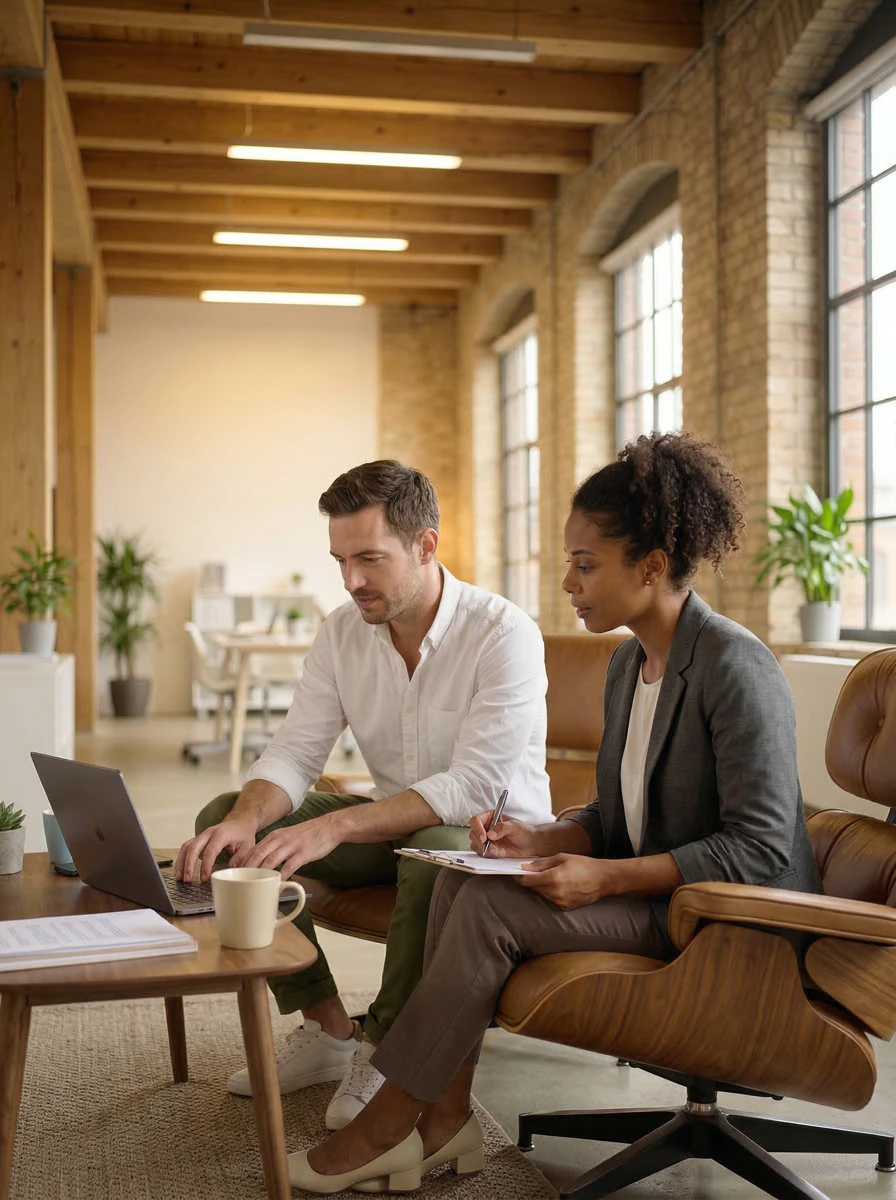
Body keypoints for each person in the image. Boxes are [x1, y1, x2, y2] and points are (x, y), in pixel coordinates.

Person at [288, 431, 824, 1194]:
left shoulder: (736, 666)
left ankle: (388, 1122)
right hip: (663, 900)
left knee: (489, 909)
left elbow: (761, 849)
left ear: (652, 566)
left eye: (585, 564)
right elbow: (620, 811)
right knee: (462, 878)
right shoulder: (629, 663)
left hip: (731, 927)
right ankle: (447, 1120)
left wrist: (604, 878)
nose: (568, 582)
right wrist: (545, 835)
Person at [175, 459, 552, 1130]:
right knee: (226, 821)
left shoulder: (503, 634)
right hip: (394, 829)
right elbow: (296, 751)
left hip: (489, 843)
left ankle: (385, 1053)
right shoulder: (341, 632)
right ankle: (328, 1029)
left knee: (431, 851)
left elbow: (472, 787)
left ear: (425, 546)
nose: (351, 581)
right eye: (340, 561)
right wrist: (244, 818)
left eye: (369, 559)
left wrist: (336, 827)